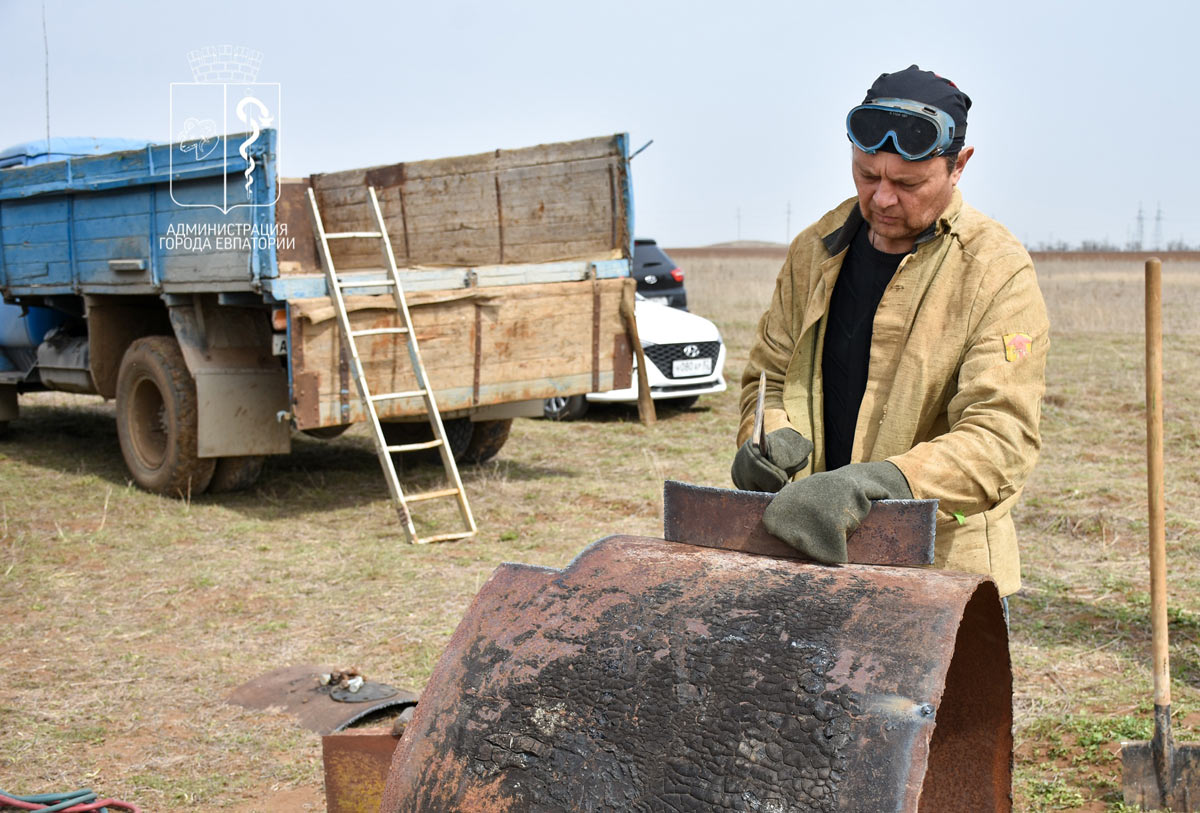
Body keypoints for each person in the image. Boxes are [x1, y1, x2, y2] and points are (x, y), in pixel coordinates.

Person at [730, 65, 1048, 599]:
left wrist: (876, 484)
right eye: (865, 175)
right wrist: (766, 438)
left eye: (907, 184)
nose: (880, 199)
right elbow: (766, 380)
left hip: (939, 578)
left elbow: (1000, 441)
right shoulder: (817, 248)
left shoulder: (996, 271)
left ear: (959, 166)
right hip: (810, 556)